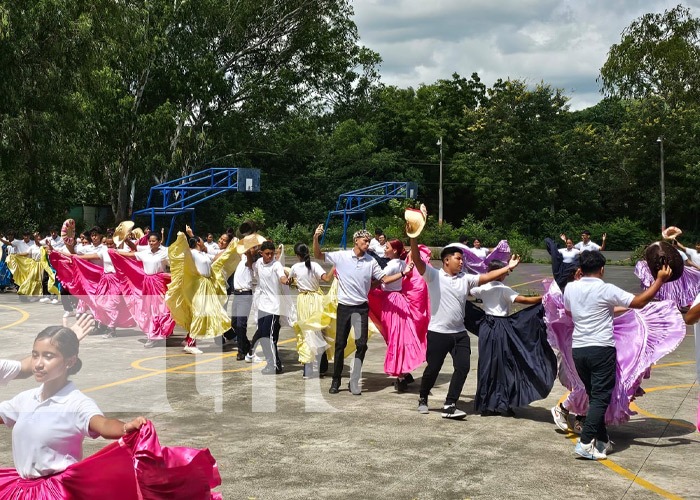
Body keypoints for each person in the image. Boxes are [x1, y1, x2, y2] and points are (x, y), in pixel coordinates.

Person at [0, 326, 222, 498]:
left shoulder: (75, 403)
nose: (38, 363)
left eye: (48, 356)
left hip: (55, 492)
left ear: (70, 361)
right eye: (35, 355)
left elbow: (103, 424)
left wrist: (125, 428)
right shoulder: (25, 399)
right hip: (19, 489)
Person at [563, 250, 671, 460]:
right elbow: (639, 302)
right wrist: (659, 281)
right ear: (602, 269)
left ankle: (602, 441)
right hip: (601, 349)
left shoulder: (570, 288)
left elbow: (570, 312)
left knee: (595, 396)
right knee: (601, 397)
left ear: (580, 269)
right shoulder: (606, 289)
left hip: (579, 350)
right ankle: (585, 444)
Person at [409, 235, 521, 419]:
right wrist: (413, 237)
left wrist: (508, 267)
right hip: (438, 333)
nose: (461, 262)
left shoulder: (465, 279)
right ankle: (423, 397)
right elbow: (416, 259)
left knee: (463, 367)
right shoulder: (433, 275)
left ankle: (450, 403)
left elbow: (486, 277)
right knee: (433, 368)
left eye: (462, 259)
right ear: (446, 260)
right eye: (458, 258)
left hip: (460, 334)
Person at [470, 260, 554, 416]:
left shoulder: (481, 288)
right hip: (501, 326)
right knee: (504, 365)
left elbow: (467, 293)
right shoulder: (504, 289)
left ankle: (486, 404)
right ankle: (502, 403)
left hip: (486, 327)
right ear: (500, 273)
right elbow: (524, 300)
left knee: (487, 364)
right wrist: (545, 297)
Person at [313, 225, 388, 395]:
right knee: (340, 344)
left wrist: (404, 273)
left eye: (369, 241)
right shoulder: (342, 256)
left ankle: (354, 380)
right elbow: (318, 255)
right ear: (356, 241)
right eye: (365, 241)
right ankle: (336, 379)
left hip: (361, 308)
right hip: (345, 307)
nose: (368, 244)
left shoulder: (371, 261)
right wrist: (316, 238)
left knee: (362, 344)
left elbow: (384, 279)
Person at [368, 239, 430, 391]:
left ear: (394, 250)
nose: (385, 249)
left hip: (391, 301)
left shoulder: (394, 265)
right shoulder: (402, 263)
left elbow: (383, 280)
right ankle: (404, 372)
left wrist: (367, 287)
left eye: (387, 247)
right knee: (398, 337)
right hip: (398, 299)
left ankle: (401, 376)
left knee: (395, 337)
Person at [164, 231, 239, 354]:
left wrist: (231, 247)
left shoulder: (203, 254)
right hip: (199, 286)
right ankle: (191, 343)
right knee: (200, 313)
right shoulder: (192, 253)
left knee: (208, 313)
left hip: (207, 286)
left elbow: (217, 259)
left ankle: (189, 339)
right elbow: (182, 254)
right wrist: (182, 239)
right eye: (201, 240)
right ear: (198, 242)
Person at [110, 231, 175, 348]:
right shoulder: (145, 252)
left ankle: (160, 333)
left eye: (154, 241)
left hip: (159, 283)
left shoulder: (165, 252)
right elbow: (131, 255)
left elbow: (175, 261)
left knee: (162, 309)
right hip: (147, 283)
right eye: (150, 241)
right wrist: (115, 252)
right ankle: (153, 336)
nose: (151, 243)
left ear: (160, 241)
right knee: (149, 309)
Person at [283, 243, 335, 379]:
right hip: (317, 299)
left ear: (297, 255)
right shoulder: (315, 266)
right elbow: (327, 278)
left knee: (307, 333)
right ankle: (322, 367)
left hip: (303, 300)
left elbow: (288, 282)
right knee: (319, 331)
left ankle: (308, 368)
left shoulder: (294, 267)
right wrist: (335, 267)